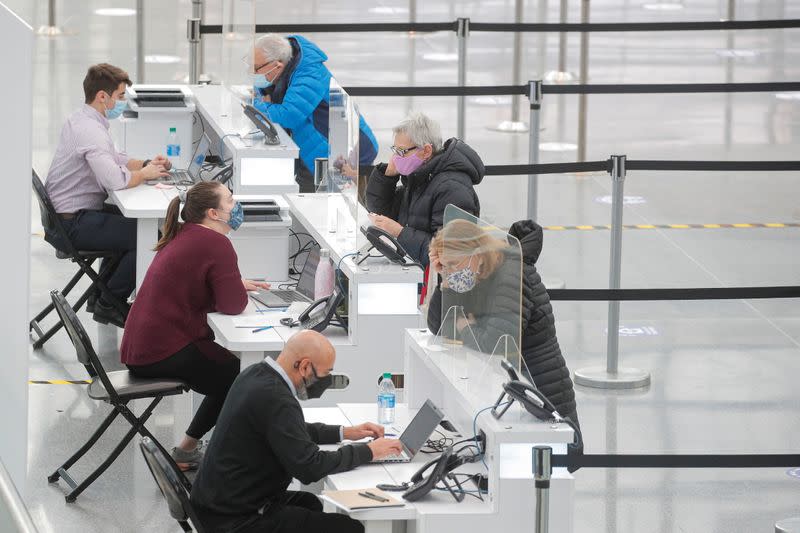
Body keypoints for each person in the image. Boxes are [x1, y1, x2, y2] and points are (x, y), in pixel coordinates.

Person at [120, 181, 270, 470]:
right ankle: (195, 451)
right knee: (244, 376)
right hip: (161, 352)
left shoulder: (185, 233)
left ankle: (196, 448)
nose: (236, 205)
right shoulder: (217, 243)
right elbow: (233, 305)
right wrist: (233, 288)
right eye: (230, 200)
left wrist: (231, 284)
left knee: (230, 370)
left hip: (140, 347)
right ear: (213, 213)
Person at [191, 330, 404, 533]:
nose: (326, 381)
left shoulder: (255, 374)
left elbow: (290, 432)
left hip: (217, 503)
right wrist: (369, 451)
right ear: (304, 366)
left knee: (310, 503)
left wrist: (345, 432)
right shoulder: (277, 399)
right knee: (351, 528)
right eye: (326, 373)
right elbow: (309, 467)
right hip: (235, 520)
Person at [44, 63, 172, 328]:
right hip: (72, 223)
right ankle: (109, 302)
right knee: (152, 236)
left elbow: (113, 158)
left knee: (130, 224)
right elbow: (114, 178)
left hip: (68, 216)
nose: (123, 102)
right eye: (121, 96)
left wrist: (146, 163)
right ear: (103, 96)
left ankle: (100, 296)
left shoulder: (84, 119)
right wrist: (146, 174)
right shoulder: (90, 131)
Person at [426, 218, 579, 424]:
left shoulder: (512, 274)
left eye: (453, 264)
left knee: (561, 451)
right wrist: (444, 280)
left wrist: (465, 327)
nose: (451, 271)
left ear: (477, 255)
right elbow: (439, 326)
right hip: (513, 384)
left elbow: (497, 340)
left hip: (541, 385)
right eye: (445, 265)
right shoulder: (477, 273)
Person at [250, 34, 379, 192]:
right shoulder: (286, 66)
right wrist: (259, 97)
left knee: (329, 210)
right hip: (316, 148)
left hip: (345, 154)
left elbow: (288, 115)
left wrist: (254, 104)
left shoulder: (309, 73)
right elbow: (263, 89)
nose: (253, 72)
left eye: (256, 68)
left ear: (277, 65)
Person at [366, 112, 484, 267]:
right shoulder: (418, 178)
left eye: (401, 152)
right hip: (415, 271)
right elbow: (381, 212)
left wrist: (400, 233)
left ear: (427, 151)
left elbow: (451, 256)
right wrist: (387, 175)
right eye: (395, 150)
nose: (395, 157)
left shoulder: (452, 190)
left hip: (436, 284)